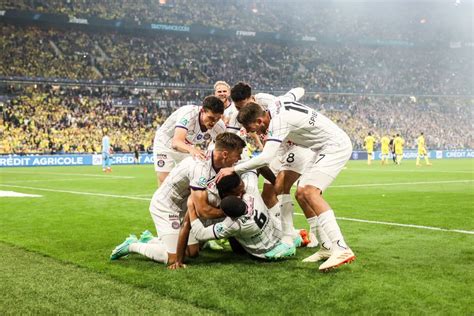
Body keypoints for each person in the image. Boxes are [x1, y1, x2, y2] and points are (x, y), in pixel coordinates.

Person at [217, 101, 356, 271]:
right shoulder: (274, 108)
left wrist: (234, 169)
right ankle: (326, 247)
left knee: (310, 192)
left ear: (260, 121)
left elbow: (266, 157)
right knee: (301, 194)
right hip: (319, 148)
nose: (254, 132)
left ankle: (341, 248)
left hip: (334, 146)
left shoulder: (279, 121)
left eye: (253, 128)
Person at [109, 133, 246, 266]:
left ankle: (151, 240)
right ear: (225, 154)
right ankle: (132, 245)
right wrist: (232, 212)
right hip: (166, 206)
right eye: (237, 154)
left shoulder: (217, 159)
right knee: (172, 259)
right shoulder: (200, 168)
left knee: (192, 252)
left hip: (183, 206)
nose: (239, 158)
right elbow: (203, 210)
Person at [152, 95, 226, 186]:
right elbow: (176, 142)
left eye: (217, 119)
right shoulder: (188, 113)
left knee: (192, 179)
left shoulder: (219, 127)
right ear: (202, 111)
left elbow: (224, 148)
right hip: (165, 143)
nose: (213, 122)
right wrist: (193, 150)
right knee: (165, 182)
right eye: (210, 118)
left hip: (186, 146)